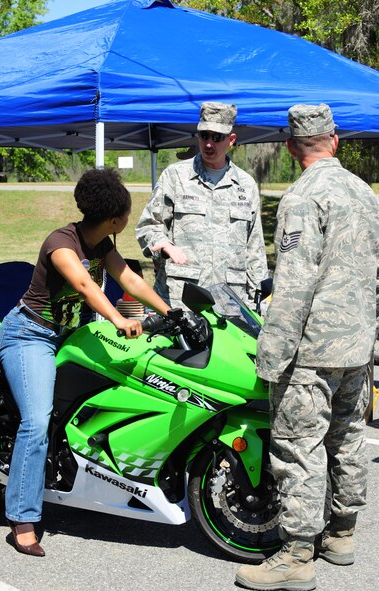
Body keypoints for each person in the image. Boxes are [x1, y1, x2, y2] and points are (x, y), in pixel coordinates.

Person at [236, 103, 379, 591]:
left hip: (313, 350)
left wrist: (270, 357)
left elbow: (294, 285)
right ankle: (342, 534)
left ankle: (297, 556)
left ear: (294, 149)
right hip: (358, 346)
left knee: (299, 447)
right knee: (347, 439)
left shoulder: (302, 197)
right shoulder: (364, 192)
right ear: (334, 142)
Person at [0, 168, 170, 557]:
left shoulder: (103, 245)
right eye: (127, 212)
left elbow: (131, 280)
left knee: (127, 378)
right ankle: (23, 517)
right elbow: (84, 285)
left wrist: (170, 311)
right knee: (37, 421)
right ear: (114, 219)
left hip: (71, 335)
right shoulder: (62, 242)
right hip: (31, 334)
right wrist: (120, 319)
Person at [136, 101, 268, 309]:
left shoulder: (246, 185)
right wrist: (162, 243)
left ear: (231, 139)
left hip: (229, 302)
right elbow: (149, 225)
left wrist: (260, 303)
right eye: (204, 135)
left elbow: (255, 250)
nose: (209, 143)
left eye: (217, 138)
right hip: (180, 300)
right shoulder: (176, 176)